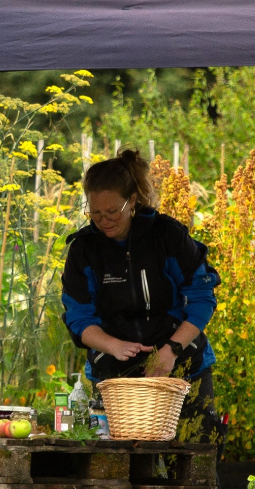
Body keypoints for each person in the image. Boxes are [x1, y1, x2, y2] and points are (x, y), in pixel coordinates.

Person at [61, 149, 223, 441]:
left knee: (196, 458)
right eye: (95, 213)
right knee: (121, 471)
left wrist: (171, 350)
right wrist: (112, 345)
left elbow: (202, 299)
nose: (103, 220)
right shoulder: (84, 250)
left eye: (112, 212)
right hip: (115, 378)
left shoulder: (168, 236)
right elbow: (78, 317)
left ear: (132, 201)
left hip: (183, 368)